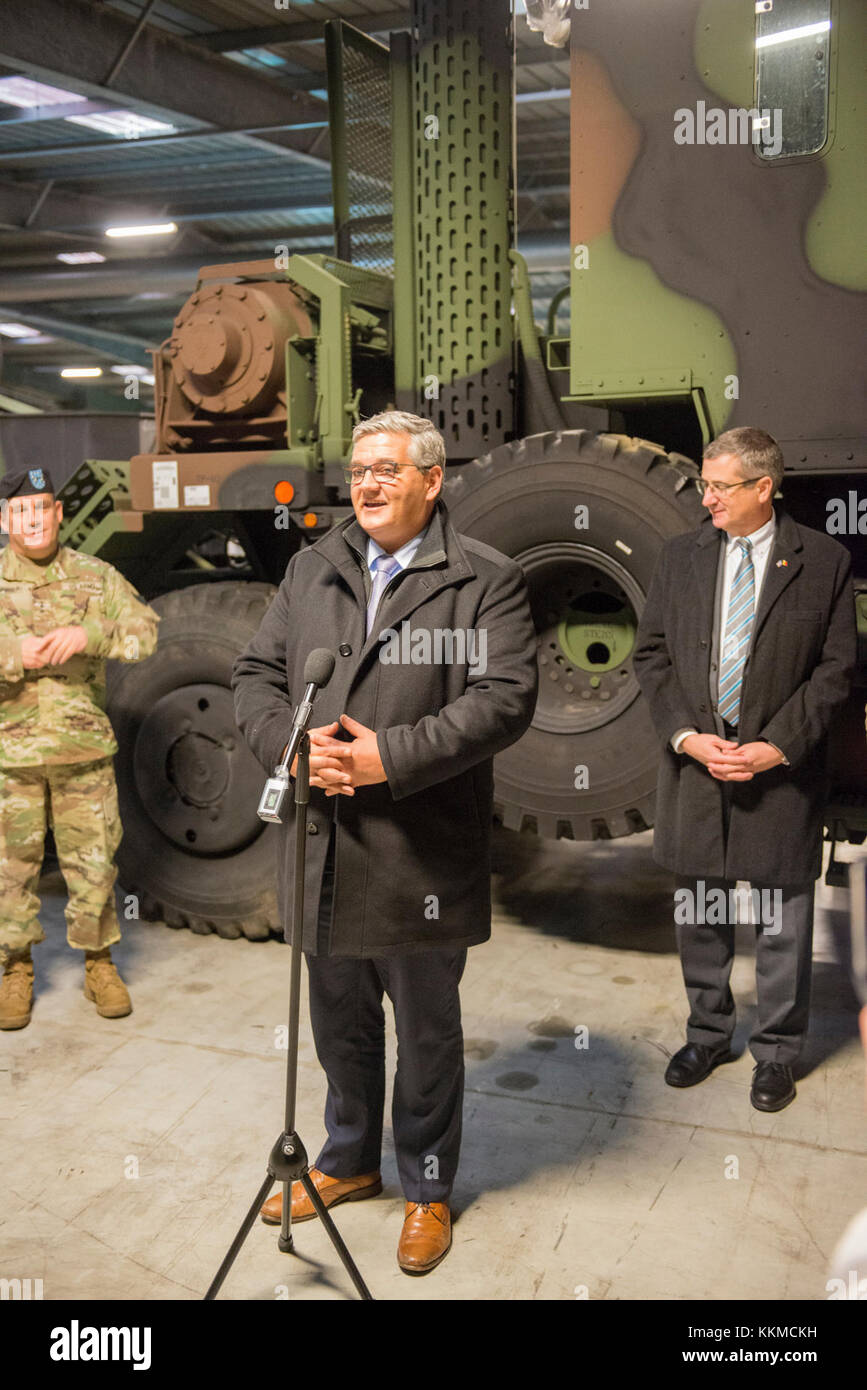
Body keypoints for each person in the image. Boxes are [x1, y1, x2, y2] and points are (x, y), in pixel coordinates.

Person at [232, 410, 537, 1273]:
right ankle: (347, 1160)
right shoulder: (312, 567)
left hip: (418, 855)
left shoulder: (483, 579)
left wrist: (383, 759)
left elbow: (502, 698)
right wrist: (292, 748)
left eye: (387, 470)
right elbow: (254, 673)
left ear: (432, 481)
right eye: (359, 469)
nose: (366, 484)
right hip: (319, 841)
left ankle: (428, 1188)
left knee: (428, 1034)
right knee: (339, 1021)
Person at [633, 427, 856, 1111]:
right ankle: (706, 1034)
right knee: (699, 911)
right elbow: (652, 656)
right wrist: (683, 736)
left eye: (718, 486)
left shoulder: (822, 561)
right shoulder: (680, 557)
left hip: (778, 771)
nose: (706, 499)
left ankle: (777, 1053)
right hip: (697, 765)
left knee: (782, 920)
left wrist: (778, 746)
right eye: (705, 484)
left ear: (763, 488)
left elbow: (835, 670)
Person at [0, 467, 159, 1029]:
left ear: (58, 515)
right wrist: (16, 651)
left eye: (42, 508)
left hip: (82, 752)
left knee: (93, 865)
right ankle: (15, 969)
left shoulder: (95, 576)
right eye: (21, 511)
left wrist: (89, 636)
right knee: (9, 871)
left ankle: (99, 963)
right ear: (4, 520)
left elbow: (145, 631)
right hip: (9, 759)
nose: (34, 519)